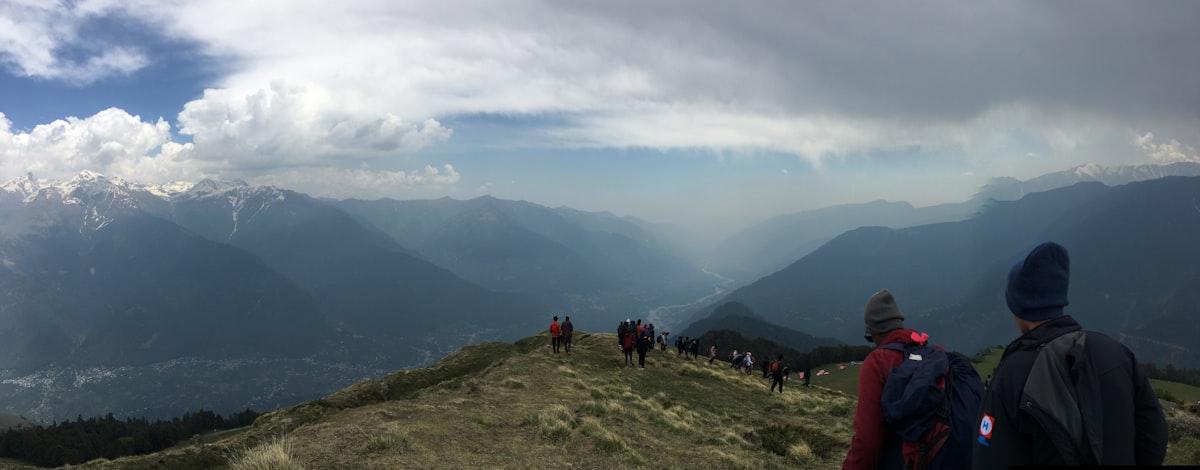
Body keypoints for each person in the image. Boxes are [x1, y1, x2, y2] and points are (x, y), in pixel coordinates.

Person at [972, 242, 1167, 468]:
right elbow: (1153, 438)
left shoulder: (1011, 375)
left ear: (1016, 305)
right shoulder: (1116, 353)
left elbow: (990, 459)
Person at [842, 288, 942, 469]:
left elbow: (868, 444)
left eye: (870, 338)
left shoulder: (878, 362)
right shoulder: (935, 354)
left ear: (875, 333)